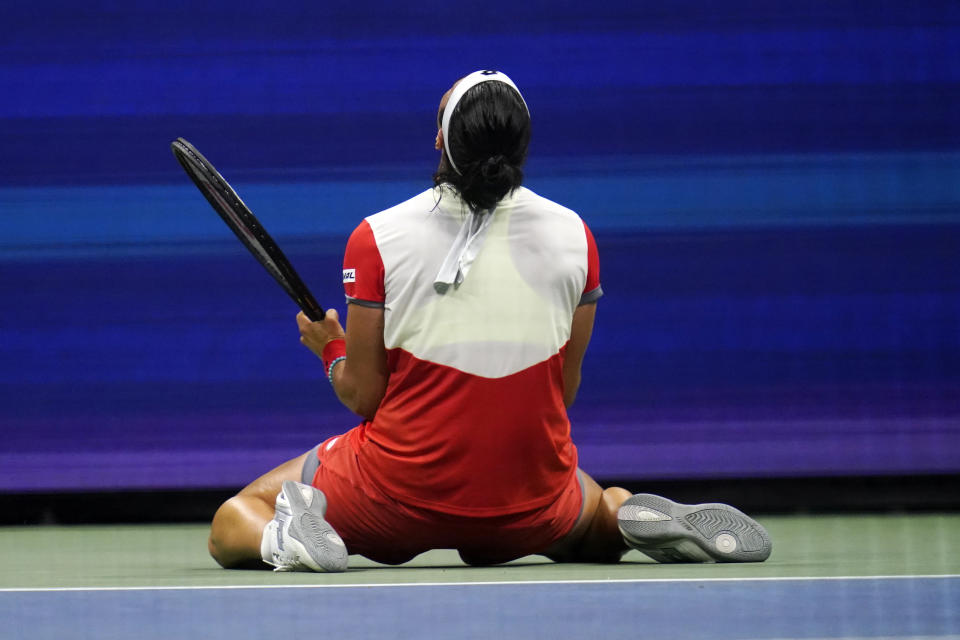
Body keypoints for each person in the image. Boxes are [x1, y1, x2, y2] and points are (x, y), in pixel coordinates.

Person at [207, 70, 772, 572]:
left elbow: (363, 395)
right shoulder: (577, 235)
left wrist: (330, 349)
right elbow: (562, 390)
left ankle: (291, 538)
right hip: (530, 499)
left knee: (237, 517)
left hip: (395, 495)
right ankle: (619, 513)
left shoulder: (375, 238)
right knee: (586, 513)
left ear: (440, 142)